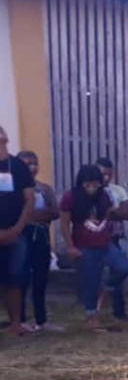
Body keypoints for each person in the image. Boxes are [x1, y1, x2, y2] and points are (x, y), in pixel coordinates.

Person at [59, 164, 128, 332]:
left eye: (95, 184)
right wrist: (70, 247)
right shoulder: (70, 197)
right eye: (87, 185)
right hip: (84, 245)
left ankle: (105, 289)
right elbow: (64, 223)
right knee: (90, 280)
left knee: (124, 268)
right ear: (80, 184)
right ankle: (92, 316)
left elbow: (107, 216)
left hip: (105, 242)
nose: (92, 188)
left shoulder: (104, 196)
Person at [18, 150, 61, 332]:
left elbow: (54, 211)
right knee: (20, 278)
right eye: (27, 164)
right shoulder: (13, 189)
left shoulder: (45, 188)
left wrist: (36, 215)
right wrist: (30, 216)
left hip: (41, 236)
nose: (32, 167)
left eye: (34, 163)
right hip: (21, 236)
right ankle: (19, 320)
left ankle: (41, 319)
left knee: (41, 278)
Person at [0, 127, 34, 336]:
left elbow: (29, 199)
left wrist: (17, 229)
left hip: (16, 233)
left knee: (14, 279)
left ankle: (15, 323)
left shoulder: (18, 166)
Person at [96, 157, 128, 321]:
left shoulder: (118, 191)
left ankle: (119, 311)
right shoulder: (92, 190)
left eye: (109, 175)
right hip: (97, 238)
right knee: (97, 273)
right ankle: (94, 309)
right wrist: (113, 211)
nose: (105, 178)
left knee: (121, 271)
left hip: (117, 237)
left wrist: (112, 212)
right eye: (102, 174)